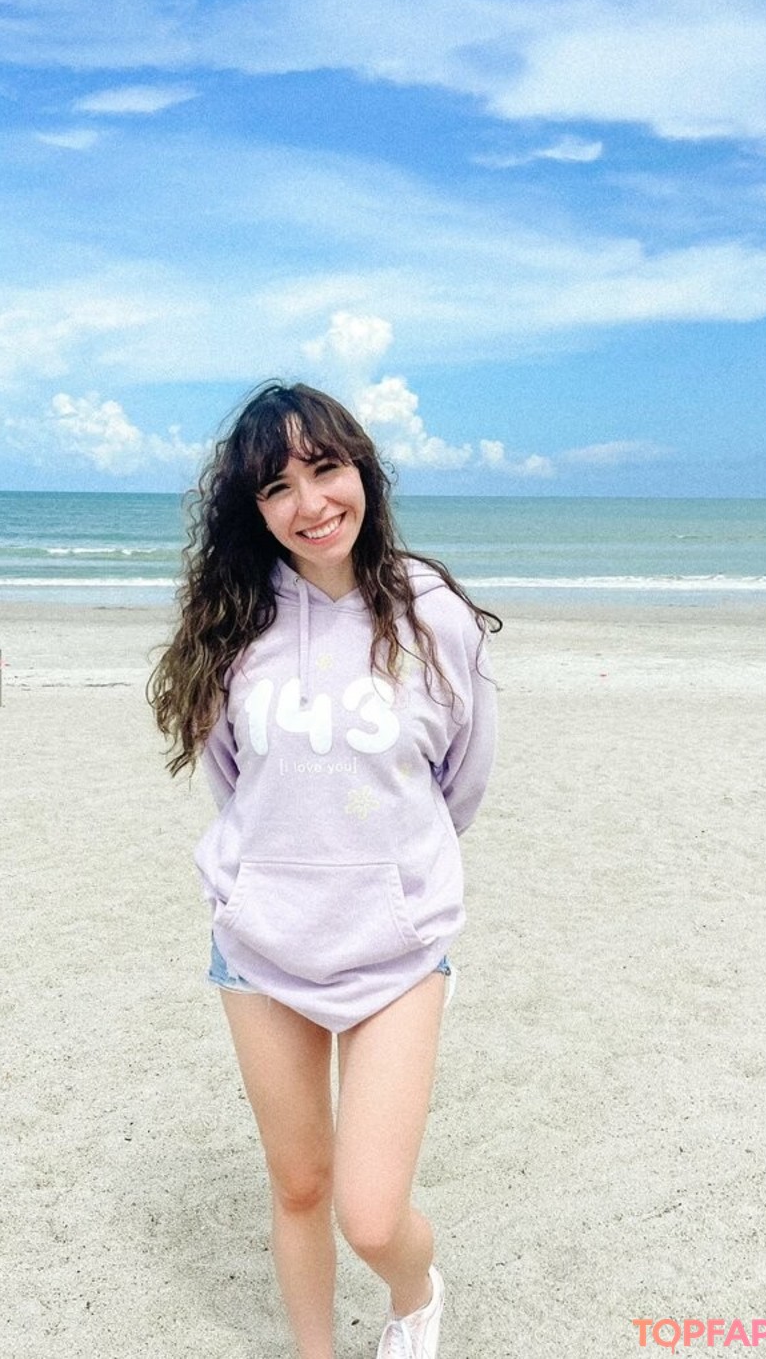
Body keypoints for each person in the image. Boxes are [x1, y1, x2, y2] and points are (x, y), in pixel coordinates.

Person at [148, 382, 499, 1359]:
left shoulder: (434, 615)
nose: (309, 503)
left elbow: (460, 780)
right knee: (299, 1182)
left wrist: (386, 867)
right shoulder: (236, 623)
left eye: (325, 469)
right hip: (261, 945)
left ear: (362, 472)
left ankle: (416, 1293)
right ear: (253, 509)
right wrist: (264, 873)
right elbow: (234, 781)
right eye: (276, 487)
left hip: (396, 947)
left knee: (373, 1216)